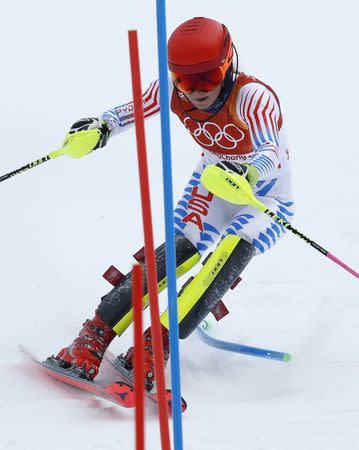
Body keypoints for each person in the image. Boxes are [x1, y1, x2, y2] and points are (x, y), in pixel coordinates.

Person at [53, 16, 293, 391]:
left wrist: (245, 176)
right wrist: (100, 127)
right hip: (213, 184)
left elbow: (271, 154)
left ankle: (155, 346)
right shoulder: (172, 91)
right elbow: (129, 111)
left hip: (264, 197)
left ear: (229, 66)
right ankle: (92, 337)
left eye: (208, 79)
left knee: (231, 251)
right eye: (185, 80)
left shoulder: (253, 98)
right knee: (179, 250)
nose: (196, 91)